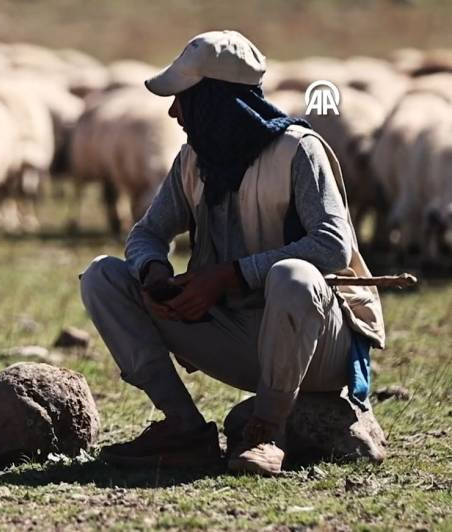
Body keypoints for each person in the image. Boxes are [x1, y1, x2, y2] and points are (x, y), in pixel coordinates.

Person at [78, 30, 385, 476]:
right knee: (102, 276)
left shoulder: (299, 151)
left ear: (213, 101)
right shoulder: (193, 160)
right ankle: (184, 429)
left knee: (294, 276)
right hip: (237, 336)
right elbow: (146, 234)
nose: (172, 111)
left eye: (183, 98)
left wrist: (230, 276)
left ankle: (268, 431)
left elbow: (333, 246)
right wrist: (154, 274)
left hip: (316, 344)